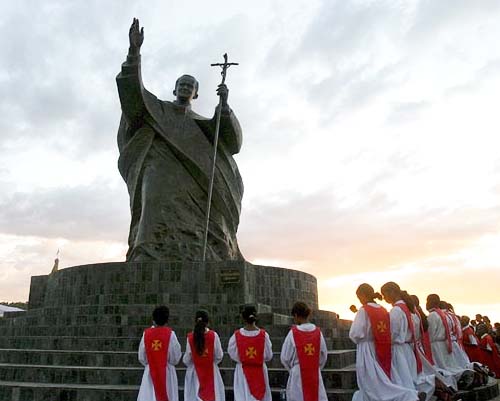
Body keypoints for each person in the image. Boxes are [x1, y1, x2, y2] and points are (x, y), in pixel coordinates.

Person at [116, 18, 244, 262]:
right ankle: (146, 251)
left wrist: (224, 106)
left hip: (195, 180)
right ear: (174, 90)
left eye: (190, 85)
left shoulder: (204, 124)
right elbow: (133, 95)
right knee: (152, 203)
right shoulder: (158, 110)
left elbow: (233, 144)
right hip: (159, 169)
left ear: (196, 93)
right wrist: (134, 51)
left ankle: (206, 253)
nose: (185, 87)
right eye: (181, 84)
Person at [349, 283, 420, 401]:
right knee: (386, 378)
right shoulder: (382, 309)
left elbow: (355, 333)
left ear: (362, 295)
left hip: (367, 348)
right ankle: (409, 394)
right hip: (382, 346)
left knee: (371, 380)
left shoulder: (364, 310)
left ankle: (408, 395)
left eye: (359, 297)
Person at [381, 283, 433, 401]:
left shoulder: (396, 311)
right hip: (410, 349)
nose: (384, 298)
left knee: (401, 381)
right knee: (410, 378)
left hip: (398, 349)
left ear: (392, 292)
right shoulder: (412, 311)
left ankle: (413, 397)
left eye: (385, 294)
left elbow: (392, 334)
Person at [280, 301, 328, 401]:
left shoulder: (292, 333)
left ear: (296, 315)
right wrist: (316, 367)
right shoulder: (318, 333)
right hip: (314, 373)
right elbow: (323, 355)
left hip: (298, 374)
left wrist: (293, 369)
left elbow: (285, 358)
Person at [228, 305, 273, 401]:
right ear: (256, 317)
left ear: (243, 318)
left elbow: (232, 353)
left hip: (242, 371)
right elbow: (268, 355)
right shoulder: (264, 335)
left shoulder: (236, 336)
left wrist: (244, 359)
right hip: (260, 371)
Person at [137, 305, 182, 401]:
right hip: (167, 374)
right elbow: (175, 358)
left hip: (150, 373)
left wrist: (151, 363)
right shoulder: (171, 334)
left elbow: (142, 357)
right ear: (167, 321)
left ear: (153, 320)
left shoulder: (146, 334)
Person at [183, 310, 225, 401]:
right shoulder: (214, 336)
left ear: (195, 321)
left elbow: (187, 359)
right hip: (211, 371)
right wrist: (210, 362)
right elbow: (219, 355)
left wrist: (195, 362)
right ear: (208, 322)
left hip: (194, 373)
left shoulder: (190, 337)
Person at [426, 294, 466, 380]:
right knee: (448, 365)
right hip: (444, 343)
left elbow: (430, 332)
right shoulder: (443, 315)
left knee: (441, 366)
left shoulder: (432, 315)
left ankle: (454, 379)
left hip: (435, 344)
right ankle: (460, 375)